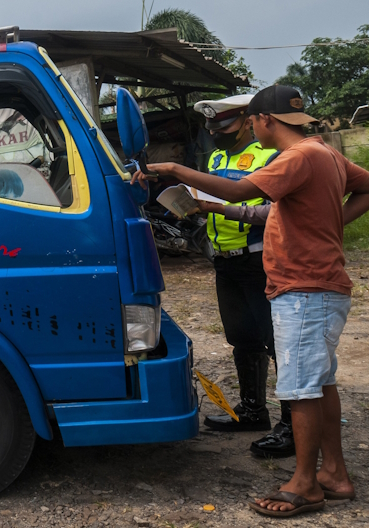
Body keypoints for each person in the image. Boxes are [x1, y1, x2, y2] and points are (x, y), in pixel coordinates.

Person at [134, 85, 369, 518]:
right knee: (321, 382)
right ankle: (333, 474)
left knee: (300, 387)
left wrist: (173, 169)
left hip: (304, 290)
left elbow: (243, 193)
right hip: (318, 287)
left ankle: (305, 484)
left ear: (262, 120)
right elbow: (267, 211)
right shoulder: (325, 154)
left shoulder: (296, 157)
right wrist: (204, 206)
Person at [189, 95, 293, 458]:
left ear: (248, 122)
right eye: (212, 129)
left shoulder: (271, 157)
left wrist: (220, 206)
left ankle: (292, 427)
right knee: (242, 338)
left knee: (278, 343)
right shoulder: (216, 158)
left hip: (260, 259)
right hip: (225, 261)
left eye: (224, 128)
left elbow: (273, 210)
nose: (216, 135)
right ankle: (252, 411)